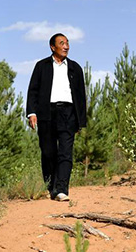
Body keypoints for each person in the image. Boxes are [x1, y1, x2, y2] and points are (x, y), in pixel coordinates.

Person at [26, 33, 87, 201]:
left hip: (68, 113)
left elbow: (81, 96)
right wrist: (32, 113)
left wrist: (80, 121)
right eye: (62, 43)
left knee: (66, 153)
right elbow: (33, 91)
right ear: (53, 47)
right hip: (47, 113)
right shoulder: (42, 66)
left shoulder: (75, 67)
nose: (66, 46)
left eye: (67, 43)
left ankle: (62, 189)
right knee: (48, 152)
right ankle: (51, 187)